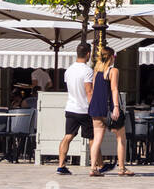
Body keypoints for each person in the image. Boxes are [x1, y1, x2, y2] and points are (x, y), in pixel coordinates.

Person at [87, 46, 134, 178]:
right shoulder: (113, 71)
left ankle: (93, 168)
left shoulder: (96, 71)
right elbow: (114, 89)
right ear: (112, 57)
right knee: (121, 138)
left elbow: (95, 90)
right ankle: (122, 168)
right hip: (109, 109)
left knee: (97, 140)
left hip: (96, 108)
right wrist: (116, 107)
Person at [57, 43, 95, 176]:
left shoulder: (69, 70)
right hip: (84, 109)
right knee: (92, 138)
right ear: (88, 54)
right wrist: (94, 108)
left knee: (68, 136)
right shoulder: (88, 70)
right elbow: (89, 91)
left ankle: (61, 165)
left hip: (71, 107)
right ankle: (95, 166)